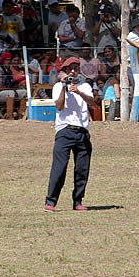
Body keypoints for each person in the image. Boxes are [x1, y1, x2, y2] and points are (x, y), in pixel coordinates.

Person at [44, 57, 94, 212]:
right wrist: (65, 88)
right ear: (64, 71)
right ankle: (51, 202)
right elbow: (59, 107)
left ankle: (78, 201)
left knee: (82, 169)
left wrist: (77, 91)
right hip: (64, 130)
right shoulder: (58, 86)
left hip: (82, 131)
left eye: (75, 68)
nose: (73, 71)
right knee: (59, 168)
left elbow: (92, 102)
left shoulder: (84, 86)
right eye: (69, 68)